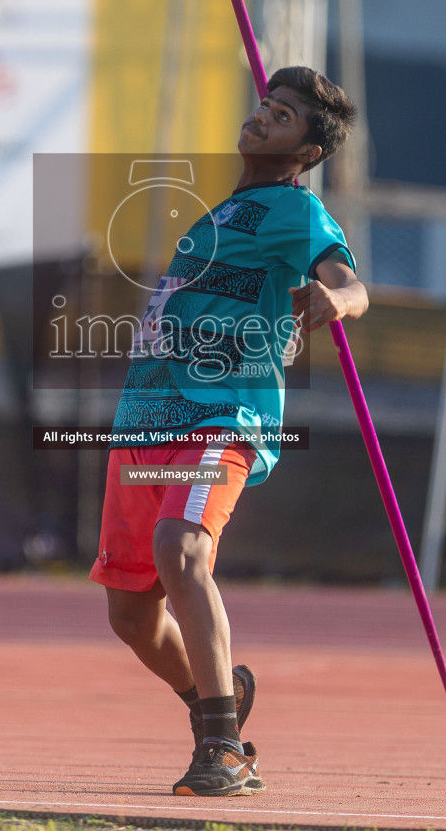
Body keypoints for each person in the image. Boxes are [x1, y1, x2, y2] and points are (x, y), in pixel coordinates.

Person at [90, 66, 368, 796]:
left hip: (223, 414)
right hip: (147, 421)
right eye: (266, 106)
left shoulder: (295, 210)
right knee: (132, 615)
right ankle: (218, 697)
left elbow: (348, 277)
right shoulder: (221, 214)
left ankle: (225, 748)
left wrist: (337, 301)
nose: (263, 117)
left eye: (283, 118)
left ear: (307, 151)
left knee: (181, 549)